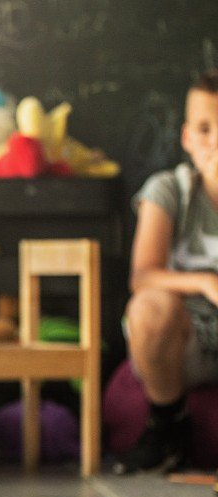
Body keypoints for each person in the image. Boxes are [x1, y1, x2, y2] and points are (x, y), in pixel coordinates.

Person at [114, 69, 218, 474]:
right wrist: (206, 283)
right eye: (206, 129)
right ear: (188, 137)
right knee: (147, 307)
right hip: (186, 341)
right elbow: (142, 276)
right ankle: (167, 423)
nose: (216, 141)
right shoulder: (169, 190)